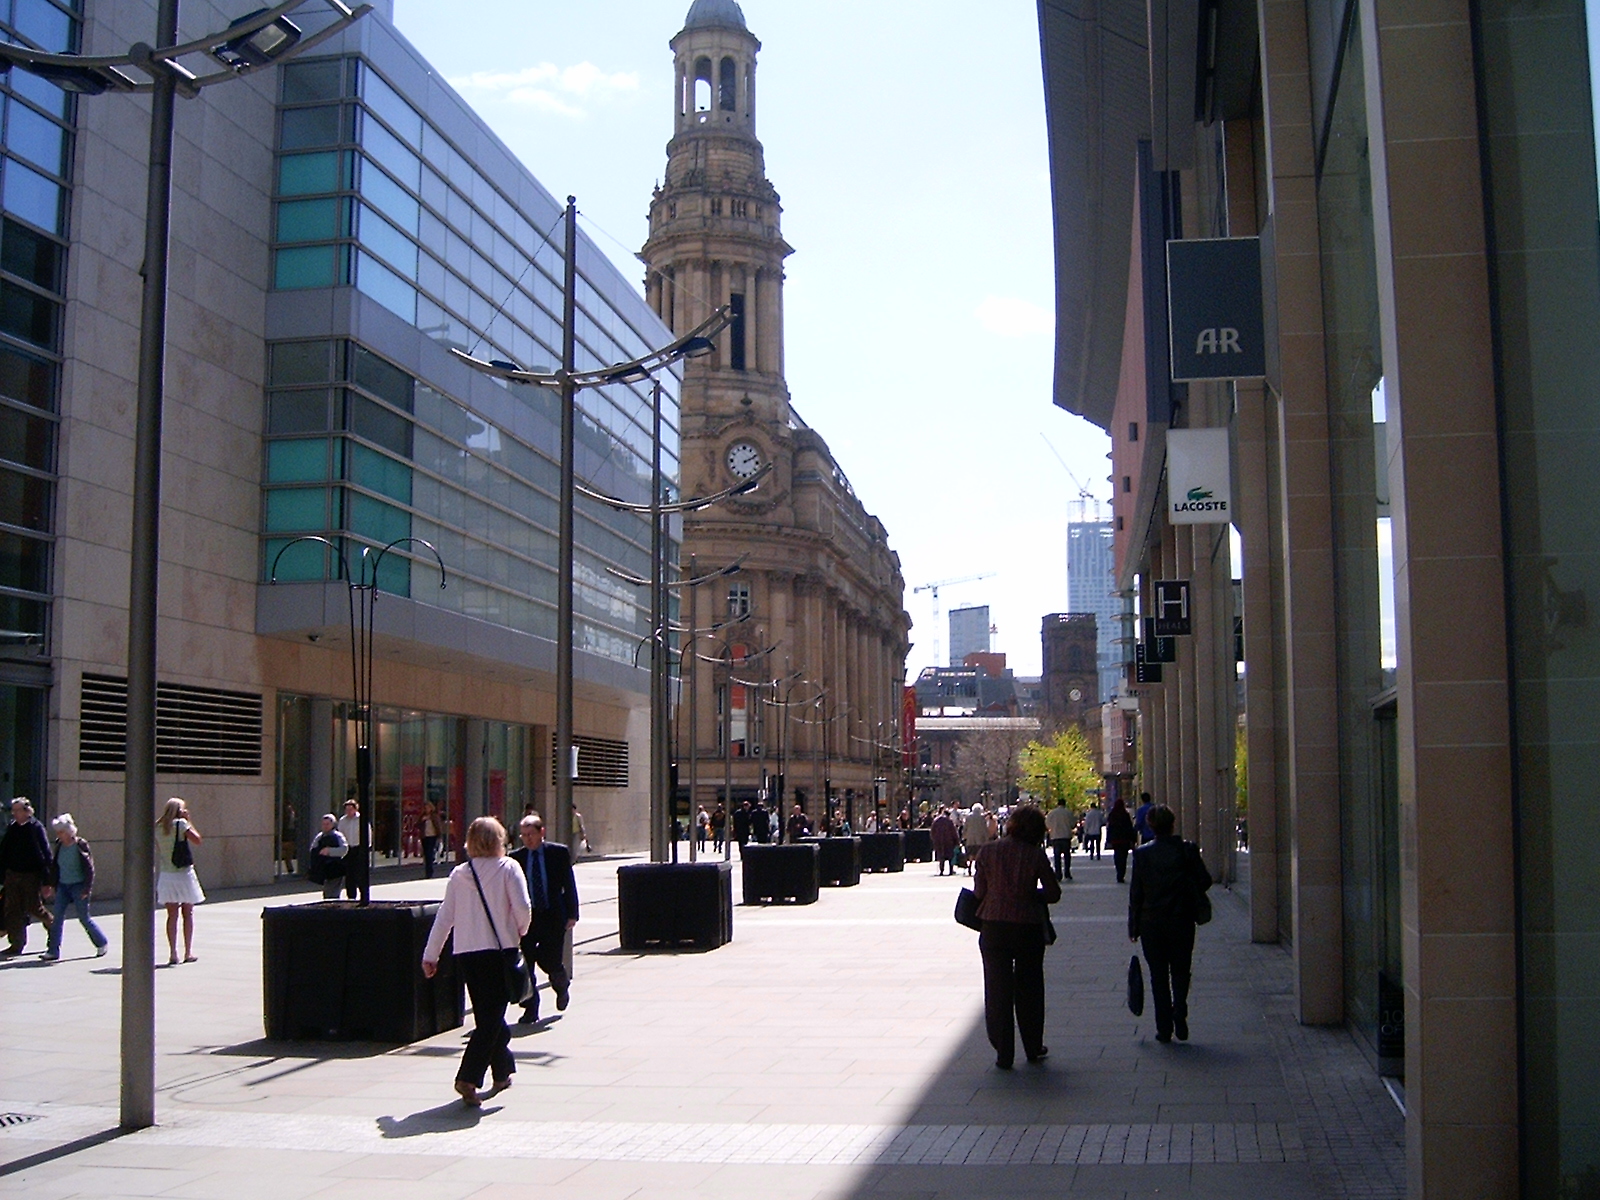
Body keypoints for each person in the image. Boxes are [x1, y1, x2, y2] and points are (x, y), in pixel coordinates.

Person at [422, 816, 531, 1106]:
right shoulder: (509, 868)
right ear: (499, 840)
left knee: (487, 1013)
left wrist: (431, 955)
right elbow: (523, 908)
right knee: (492, 1017)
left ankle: (502, 1071)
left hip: (468, 953)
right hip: (499, 950)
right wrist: (520, 930)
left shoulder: (460, 873)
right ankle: (468, 1077)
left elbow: (445, 916)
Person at [973, 805, 1061, 1069]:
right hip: (1027, 927)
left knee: (997, 988)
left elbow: (979, 893)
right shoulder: (1035, 855)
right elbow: (1054, 893)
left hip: (994, 926)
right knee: (1030, 987)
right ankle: (1033, 1045)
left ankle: (1003, 1050)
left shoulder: (987, 852)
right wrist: (1031, 895)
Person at [1129, 804, 1213, 1043]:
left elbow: (1136, 893)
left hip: (1151, 921)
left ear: (1150, 826)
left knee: (1158, 974)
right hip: (1181, 919)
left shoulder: (1142, 854)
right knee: (1180, 969)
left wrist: (1133, 926)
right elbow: (1205, 881)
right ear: (1173, 824)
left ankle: (1163, 1026)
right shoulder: (1187, 850)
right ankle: (1180, 1011)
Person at [509, 813, 579, 1024]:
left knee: (550, 960)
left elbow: (569, 883)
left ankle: (560, 983)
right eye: (523, 835)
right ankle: (531, 1008)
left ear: (542, 833)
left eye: (531, 834)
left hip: (553, 914)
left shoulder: (557, 853)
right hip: (527, 917)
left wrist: (572, 913)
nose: (527, 839)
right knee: (527, 961)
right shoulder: (516, 858)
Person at [43, 814, 107, 960]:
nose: (59, 835)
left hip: (78, 885)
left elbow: (89, 868)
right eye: (58, 832)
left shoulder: (80, 845)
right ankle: (53, 950)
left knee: (84, 917)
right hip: (63, 886)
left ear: (70, 831)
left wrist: (87, 889)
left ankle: (101, 943)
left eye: (62, 832)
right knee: (57, 917)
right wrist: (51, 885)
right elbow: (55, 867)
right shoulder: (59, 846)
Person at [156, 797, 204, 965]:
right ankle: (188, 952)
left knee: (172, 915)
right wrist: (188, 821)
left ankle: (173, 953)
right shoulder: (182, 825)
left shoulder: (158, 827)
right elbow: (198, 840)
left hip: (167, 875)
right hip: (183, 874)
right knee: (187, 913)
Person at [1, 797, 53, 957]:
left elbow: (45, 854)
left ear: (26, 811)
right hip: (13, 875)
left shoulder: (35, 828)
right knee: (13, 910)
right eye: (13, 810)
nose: (14, 813)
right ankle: (16, 944)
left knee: (34, 907)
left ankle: (53, 928)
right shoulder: (12, 828)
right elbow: (4, 852)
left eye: (17, 810)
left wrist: (47, 881)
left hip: (31, 876)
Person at [308, 814, 348, 899]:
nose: (325, 826)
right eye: (323, 824)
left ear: (333, 825)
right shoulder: (319, 837)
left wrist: (330, 851)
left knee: (333, 892)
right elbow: (313, 849)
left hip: (336, 868)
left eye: (328, 824)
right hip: (324, 868)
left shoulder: (338, 836)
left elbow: (344, 849)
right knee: (326, 892)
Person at [1106, 797, 1136, 882]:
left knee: (1117, 856)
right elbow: (1129, 827)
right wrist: (1132, 839)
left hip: (1116, 840)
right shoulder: (1125, 815)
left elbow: (1110, 828)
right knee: (1124, 857)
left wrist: (1109, 839)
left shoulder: (1112, 815)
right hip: (1124, 840)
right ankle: (1121, 873)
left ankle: (1118, 871)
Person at [337, 799, 363, 899]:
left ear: (355, 809)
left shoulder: (361, 819)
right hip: (348, 849)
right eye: (346, 809)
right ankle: (351, 897)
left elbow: (367, 835)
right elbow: (340, 835)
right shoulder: (343, 820)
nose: (348, 812)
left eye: (350, 809)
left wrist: (365, 849)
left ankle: (363, 895)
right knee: (349, 874)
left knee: (360, 874)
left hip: (359, 849)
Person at [1045, 803, 1074, 881]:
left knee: (1057, 857)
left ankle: (1058, 874)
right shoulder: (1068, 812)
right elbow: (1073, 824)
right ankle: (1067, 873)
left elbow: (1047, 824)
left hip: (1055, 837)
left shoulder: (1052, 813)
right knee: (1067, 856)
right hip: (1066, 836)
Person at [962, 804, 991, 875]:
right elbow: (984, 828)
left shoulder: (968, 817)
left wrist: (964, 835)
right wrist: (987, 838)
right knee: (979, 853)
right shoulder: (982, 817)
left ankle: (969, 867)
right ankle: (978, 868)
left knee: (971, 853)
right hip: (980, 838)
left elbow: (965, 827)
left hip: (971, 838)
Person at [930, 807, 959, 875]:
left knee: (941, 857)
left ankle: (941, 870)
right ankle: (951, 870)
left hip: (939, 842)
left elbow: (932, 831)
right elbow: (954, 832)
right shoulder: (949, 821)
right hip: (949, 841)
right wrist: (957, 841)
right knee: (950, 856)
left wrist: (934, 840)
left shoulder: (936, 820)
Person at [420, 801, 443, 879]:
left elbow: (438, 826)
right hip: (424, 837)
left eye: (428, 807)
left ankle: (430, 872)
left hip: (432, 836)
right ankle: (427, 870)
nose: (426, 809)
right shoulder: (423, 816)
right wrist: (422, 820)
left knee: (429, 853)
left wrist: (439, 836)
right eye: (425, 808)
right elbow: (417, 825)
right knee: (426, 854)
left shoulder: (434, 816)